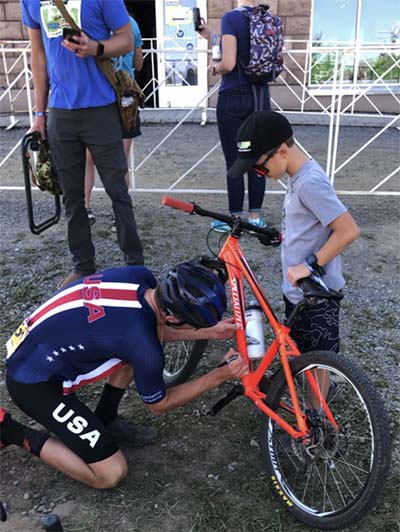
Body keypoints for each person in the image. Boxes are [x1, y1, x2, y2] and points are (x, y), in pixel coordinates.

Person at [0, 262, 248, 489]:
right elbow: (159, 404)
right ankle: (9, 431)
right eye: (194, 324)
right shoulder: (143, 345)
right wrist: (218, 376)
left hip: (32, 344)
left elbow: (148, 329)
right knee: (110, 473)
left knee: (137, 348)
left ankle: (105, 418)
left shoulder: (140, 276)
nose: (196, 329)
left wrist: (210, 332)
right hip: (32, 381)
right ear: (172, 317)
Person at [21, 0, 144, 289]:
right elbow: (37, 56)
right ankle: (83, 266)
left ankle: (135, 265)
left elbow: (126, 39)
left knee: (118, 191)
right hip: (60, 113)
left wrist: (96, 48)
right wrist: (39, 114)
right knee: (72, 197)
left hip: (101, 108)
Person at [229, 111, 360, 354]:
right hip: (299, 291)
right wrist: (284, 237)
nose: (260, 175)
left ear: (281, 151)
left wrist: (309, 265)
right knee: (302, 356)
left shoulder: (310, 182)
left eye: (260, 169)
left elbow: (348, 230)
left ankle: (318, 392)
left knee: (318, 360)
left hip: (317, 295)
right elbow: (311, 223)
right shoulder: (296, 176)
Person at [199, 1, 272, 232]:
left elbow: (229, 63)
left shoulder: (231, 18)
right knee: (258, 158)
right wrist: (212, 37)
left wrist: (214, 68)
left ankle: (235, 219)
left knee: (235, 159)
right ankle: (255, 218)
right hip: (260, 96)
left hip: (234, 96)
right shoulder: (265, 18)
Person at [85, 15, 145, 230]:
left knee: (88, 158)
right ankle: (118, 213)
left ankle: (86, 209)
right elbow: (138, 64)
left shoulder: (92, 21)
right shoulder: (132, 24)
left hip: (97, 95)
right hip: (125, 97)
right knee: (121, 160)